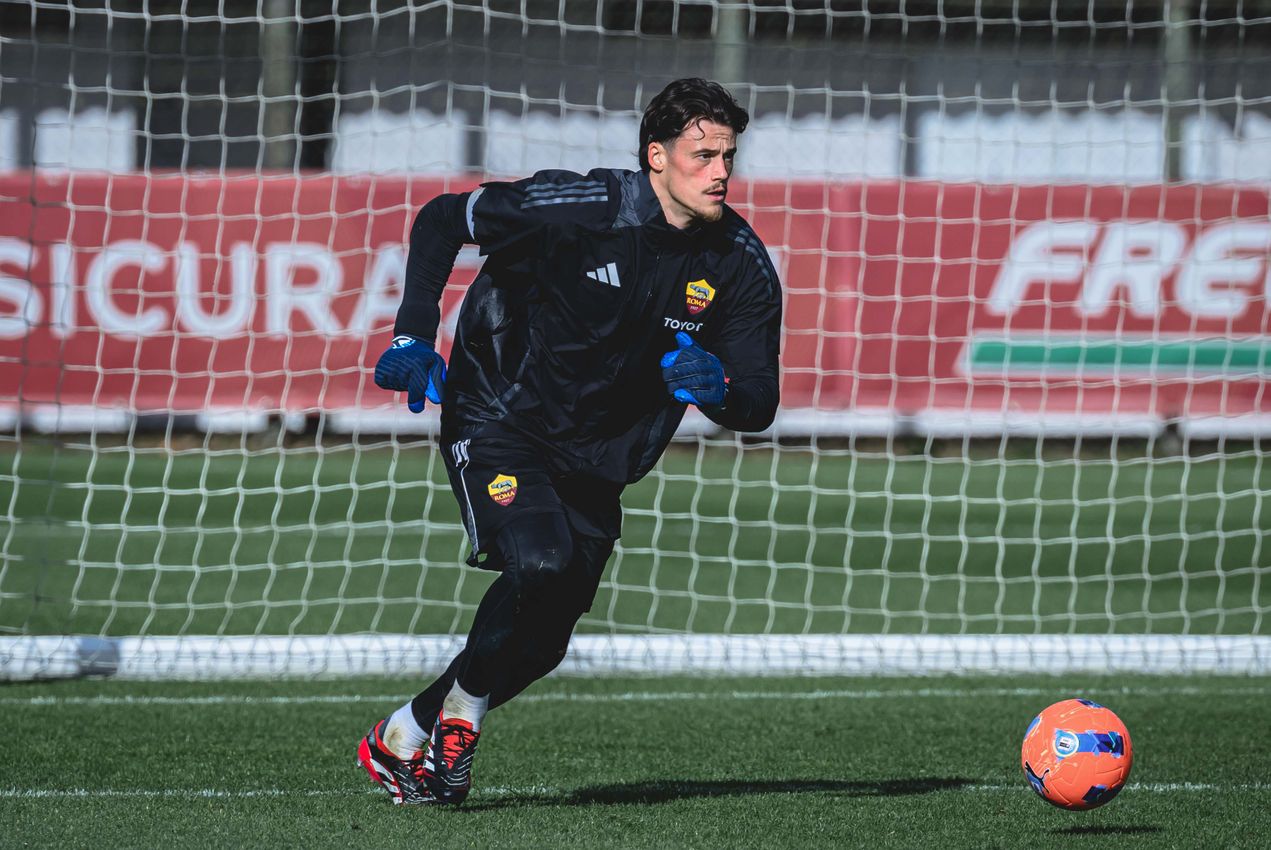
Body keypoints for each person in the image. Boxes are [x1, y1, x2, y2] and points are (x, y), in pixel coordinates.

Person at [356, 77, 781, 806]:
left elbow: (758, 403)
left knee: (545, 641)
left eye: (728, 157)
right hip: (498, 412)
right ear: (656, 155)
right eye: (701, 154)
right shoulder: (580, 208)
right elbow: (439, 221)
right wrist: (412, 335)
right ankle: (460, 720)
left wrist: (717, 390)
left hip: (600, 455)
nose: (719, 172)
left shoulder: (739, 264)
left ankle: (407, 732)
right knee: (542, 560)